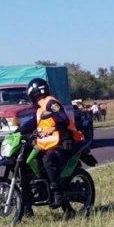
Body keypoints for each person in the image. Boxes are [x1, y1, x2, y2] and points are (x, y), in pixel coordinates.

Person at [19, 78, 84, 209]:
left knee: (48, 160)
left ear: (34, 92)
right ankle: (27, 204)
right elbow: (30, 124)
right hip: (48, 144)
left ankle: (57, 193)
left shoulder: (51, 103)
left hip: (65, 140)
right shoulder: (39, 108)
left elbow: (63, 120)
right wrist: (16, 132)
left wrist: (51, 129)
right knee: (27, 162)